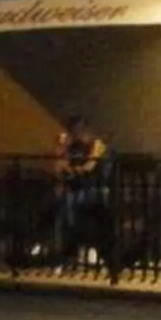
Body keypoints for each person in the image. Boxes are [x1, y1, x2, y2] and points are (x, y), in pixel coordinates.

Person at [53, 114, 110, 267]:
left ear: (86, 130)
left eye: (78, 131)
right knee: (62, 201)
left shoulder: (96, 144)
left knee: (71, 201)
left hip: (95, 188)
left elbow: (89, 167)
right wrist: (60, 148)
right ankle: (68, 245)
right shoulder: (72, 147)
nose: (76, 135)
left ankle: (77, 243)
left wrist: (73, 170)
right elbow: (59, 169)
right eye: (73, 132)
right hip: (76, 188)